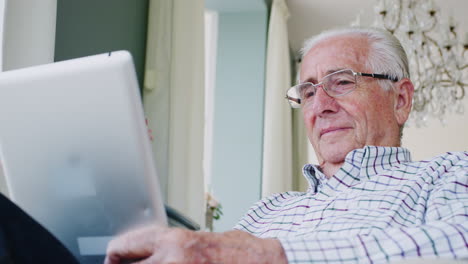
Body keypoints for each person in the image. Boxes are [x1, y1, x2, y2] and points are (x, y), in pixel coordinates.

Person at [105, 27, 468, 264]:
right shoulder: (270, 209)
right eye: (308, 91)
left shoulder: (448, 173)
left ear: (401, 99)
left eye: (341, 82)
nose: (320, 104)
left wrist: (270, 254)